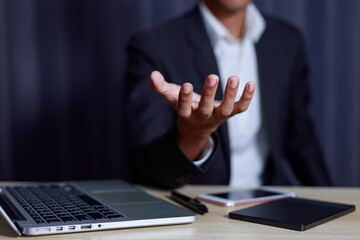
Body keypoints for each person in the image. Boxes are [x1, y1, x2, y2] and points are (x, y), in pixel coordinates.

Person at [124, 0, 332, 189]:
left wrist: (334, 201)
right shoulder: (153, 47)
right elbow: (148, 169)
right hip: (194, 204)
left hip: (271, 199)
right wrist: (194, 134)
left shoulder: (286, 40)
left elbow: (301, 137)